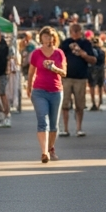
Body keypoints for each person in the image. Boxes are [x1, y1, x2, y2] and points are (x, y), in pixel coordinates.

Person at [28, 27, 66, 163]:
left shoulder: (59, 53)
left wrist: (54, 68)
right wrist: (29, 87)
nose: (47, 39)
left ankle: (51, 148)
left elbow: (64, 73)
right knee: (43, 121)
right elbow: (31, 71)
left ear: (54, 38)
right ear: (41, 38)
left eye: (50, 36)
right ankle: (44, 152)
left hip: (56, 91)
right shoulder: (36, 53)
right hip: (39, 91)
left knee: (54, 124)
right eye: (45, 36)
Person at [59, 22, 96, 137]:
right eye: (73, 31)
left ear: (81, 32)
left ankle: (79, 128)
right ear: (69, 32)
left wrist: (84, 55)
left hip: (80, 78)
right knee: (65, 104)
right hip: (66, 77)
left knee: (80, 105)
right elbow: (58, 57)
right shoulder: (65, 44)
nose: (75, 33)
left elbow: (94, 60)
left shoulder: (86, 44)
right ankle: (65, 129)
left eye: (77, 31)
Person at [89, 41, 106, 111]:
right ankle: (100, 101)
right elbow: (105, 61)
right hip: (101, 68)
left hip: (92, 69)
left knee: (92, 86)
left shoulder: (91, 50)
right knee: (100, 86)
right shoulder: (103, 51)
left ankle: (93, 102)